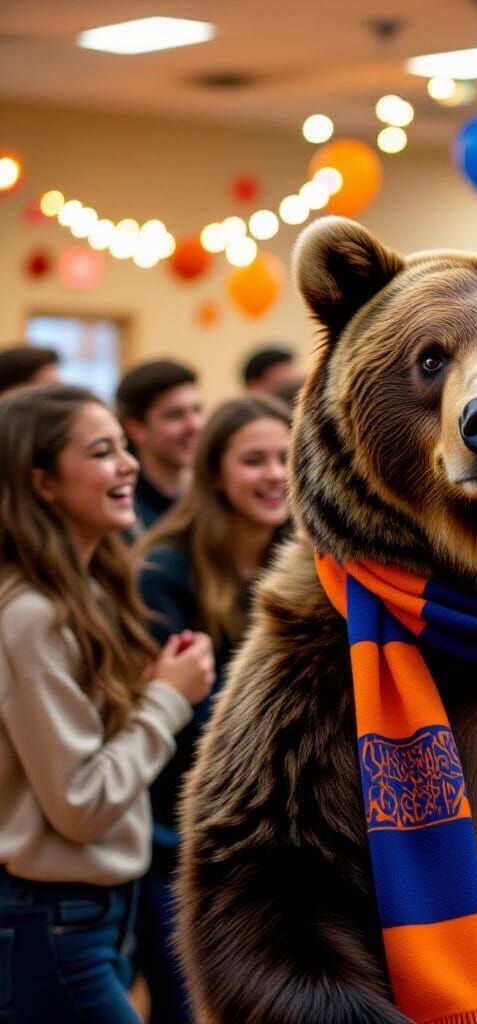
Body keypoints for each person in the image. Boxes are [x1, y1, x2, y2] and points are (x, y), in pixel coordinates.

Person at [0, 384, 214, 1024]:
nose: (127, 465)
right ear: (42, 483)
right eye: (101, 453)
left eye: (124, 448)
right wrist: (167, 700)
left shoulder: (89, 591)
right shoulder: (30, 616)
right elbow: (81, 806)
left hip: (92, 915)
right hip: (50, 921)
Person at [133, 395, 292, 1024]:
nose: (275, 474)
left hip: (279, 835)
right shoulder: (163, 569)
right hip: (178, 841)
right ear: (215, 474)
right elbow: (176, 724)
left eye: (284, 458)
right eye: (253, 461)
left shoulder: (313, 559)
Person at [115, 361, 204, 532]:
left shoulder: (211, 498)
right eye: (175, 415)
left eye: (197, 410)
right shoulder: (122, 511)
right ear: (137, 429)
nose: (194, 425)